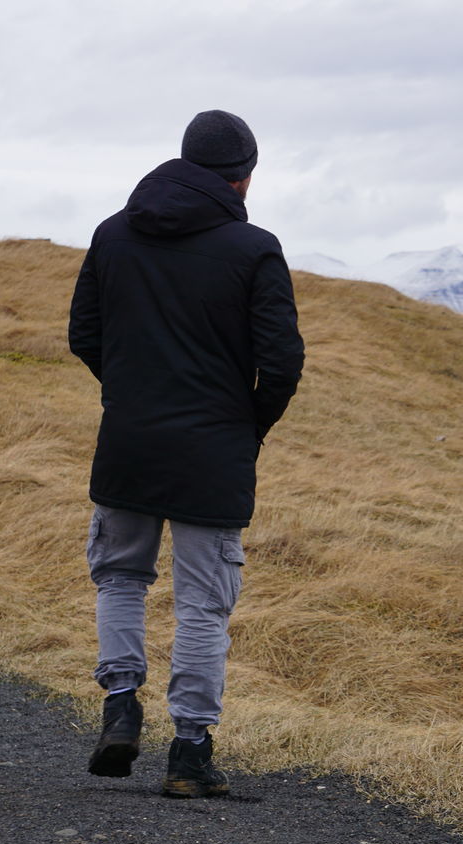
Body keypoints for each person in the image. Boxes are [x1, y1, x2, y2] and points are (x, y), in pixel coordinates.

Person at [68, 109, 304, 798]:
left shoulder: (113, 234)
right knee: (203, 604)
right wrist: (245, 424)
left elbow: (84, 332)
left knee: (119, 577)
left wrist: (131, 392)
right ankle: (190, 753)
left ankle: (120, 704)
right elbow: (282, 361)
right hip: (215, 450)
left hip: (130, 441)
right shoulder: (254, 247)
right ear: (243, 178)